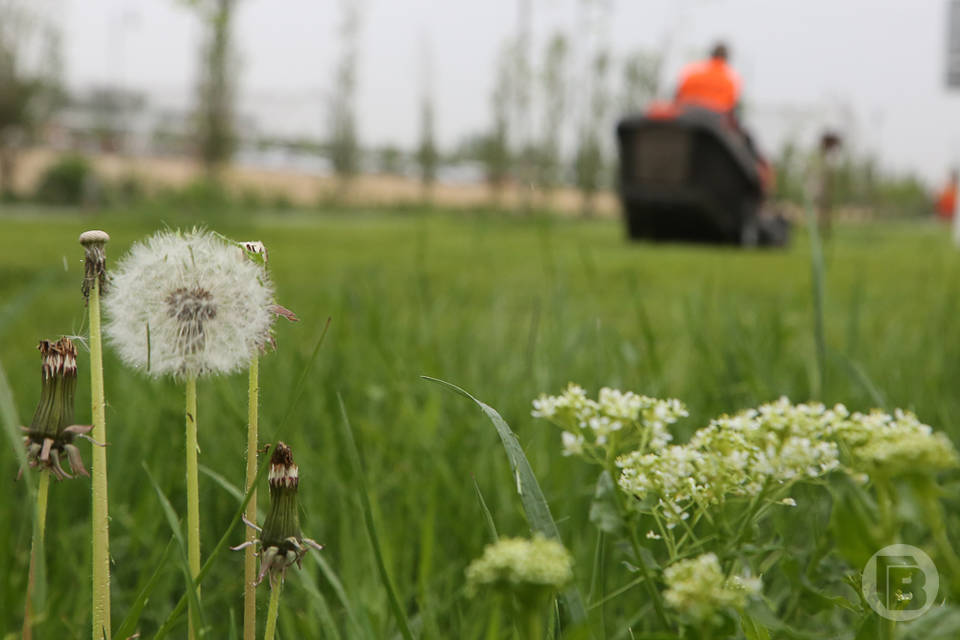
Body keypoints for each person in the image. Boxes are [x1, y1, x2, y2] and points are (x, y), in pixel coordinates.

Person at [675, 42, 742, 116]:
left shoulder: (693, 72)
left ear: (711, 55)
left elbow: (678, 96)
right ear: (726, 58)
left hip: (687, 115)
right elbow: (731, 107)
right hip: (715, 120)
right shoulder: (731, 80)